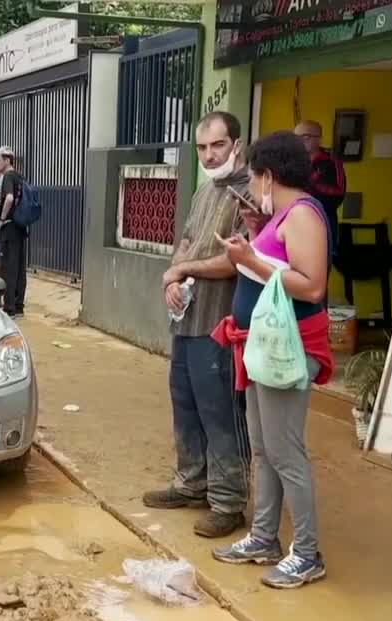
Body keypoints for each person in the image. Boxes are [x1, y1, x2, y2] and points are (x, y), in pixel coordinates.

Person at [209, 130, 335, 589]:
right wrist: (257, 237)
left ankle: (307, 552)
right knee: (264, 448)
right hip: (262, 346)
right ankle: (264, 536)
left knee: (286, 452)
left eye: (257, 175)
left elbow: (312, 285)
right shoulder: (280, 215)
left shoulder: (304, 215)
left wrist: (253, 259)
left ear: (270, 174)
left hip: (287, 349)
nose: (255, 184)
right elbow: (279, 267)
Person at [141, 111, 252, 539]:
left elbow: (233, 261)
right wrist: (174, 274)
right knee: (184, 402)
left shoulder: (250, 196)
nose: (209, 155)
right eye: (202, 147)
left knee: (220, 410)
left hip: (221, 324)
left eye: (218, 146)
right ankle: (192, 483)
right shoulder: (204, 192)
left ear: (236, 145)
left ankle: (228, 501)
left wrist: (181, 269)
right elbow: (185, 241)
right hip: (187, 318)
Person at [294, 121, 345, 258]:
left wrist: (310, 184)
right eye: (296, 137)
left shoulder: (331, 162)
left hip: (322, 224)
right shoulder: (292, 162)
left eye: (305, 137)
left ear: (319, 139)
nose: (299, 142)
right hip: (294, 225)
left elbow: (338, 194)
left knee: (317, 272)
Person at [0, 146, 27, 317]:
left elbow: (9, 198)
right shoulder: (20, 177)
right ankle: (19, 305)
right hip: (21, 227)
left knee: (8, 267)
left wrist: (1, 218)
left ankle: (9, 307)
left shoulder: (8, 176)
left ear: (7, 161)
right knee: (20, 267)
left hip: (10, 227)